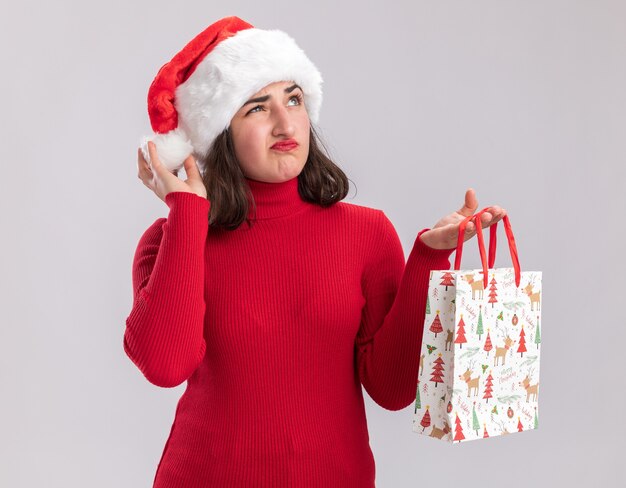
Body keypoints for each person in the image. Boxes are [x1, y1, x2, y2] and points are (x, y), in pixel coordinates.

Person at [125, 15, 507, 488]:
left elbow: (390, 390)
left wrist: (429, 257)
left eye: (294, 99)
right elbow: (164, 366)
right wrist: (185, 208)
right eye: (257, 108)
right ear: (219, 134)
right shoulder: (171, 241)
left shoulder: (366, 233)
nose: (286, 122)